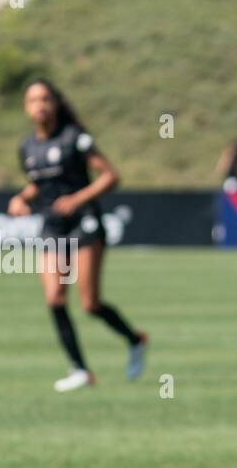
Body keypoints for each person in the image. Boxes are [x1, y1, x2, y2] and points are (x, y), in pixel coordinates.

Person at [8, 79, 148, 392]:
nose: (40, 105)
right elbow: (38, 184)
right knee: (55, 297)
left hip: (84, 222)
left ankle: (135, 340)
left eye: (45, 99)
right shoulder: (27, 147)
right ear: (26, 107)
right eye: (33, 100)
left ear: (56, 103)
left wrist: (77, 200)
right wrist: (21, 199)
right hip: (53, 225)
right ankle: (80, 370)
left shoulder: (76, 138)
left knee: (90, 304)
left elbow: (111, 176)